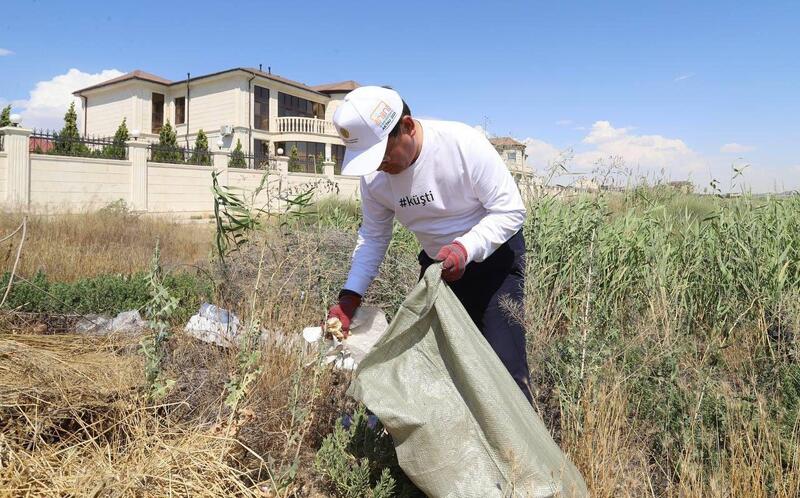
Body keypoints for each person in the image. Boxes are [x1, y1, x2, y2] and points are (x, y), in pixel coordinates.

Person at [327, 86, 531, 403]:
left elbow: (510, 211)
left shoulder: (461, 144)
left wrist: (465, 249)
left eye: (383, 155)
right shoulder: (374, 177)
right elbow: (374, 237)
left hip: (494, 264)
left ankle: (517, 434)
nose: (379, 166)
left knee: (506, 373)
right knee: (438, 369)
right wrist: (350, 295)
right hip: (440, 270)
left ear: (407, 127)